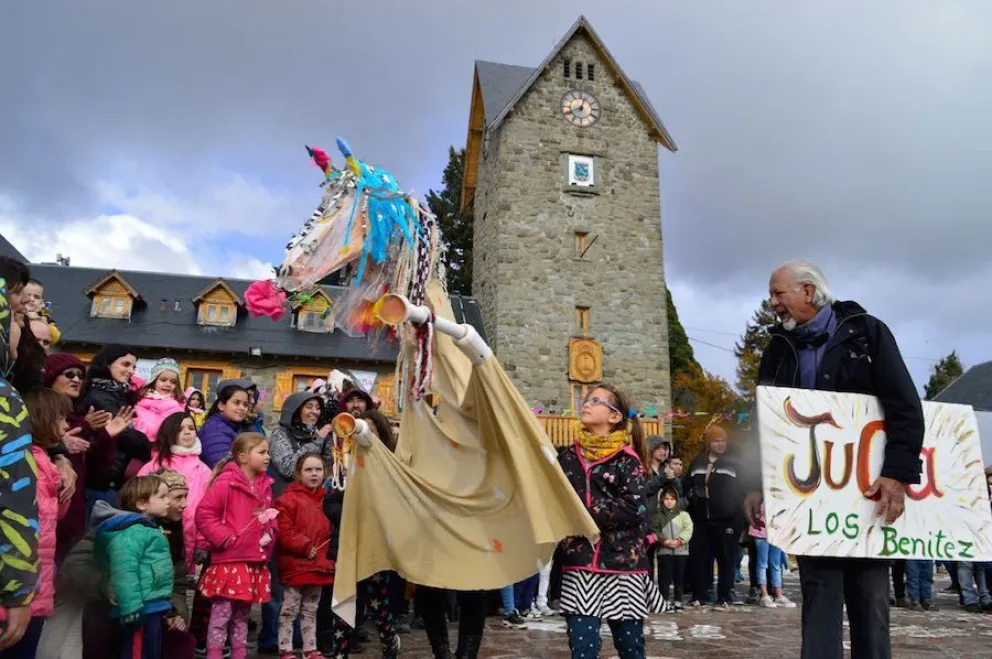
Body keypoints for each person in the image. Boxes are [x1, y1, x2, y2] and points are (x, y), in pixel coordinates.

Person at [743, 260, 924, 659]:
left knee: (870, 599)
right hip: (810, 499)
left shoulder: (867, 332)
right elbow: (764, 423)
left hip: (866, 494)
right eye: (772, 295)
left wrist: (897, 473)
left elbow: (904, 407)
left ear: (808, 292)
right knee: (819, 597)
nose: (772, 303)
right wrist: (756, 483)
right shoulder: (777, 348)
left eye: (779, 294)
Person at [557, 384, 663, 659]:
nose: (586, 403)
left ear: (614, 417)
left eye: (595, 400)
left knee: (630, 649)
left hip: (623, 566)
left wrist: (585, 511)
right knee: (582, 650)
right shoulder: (567, 457)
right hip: (579, 562)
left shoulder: (627, 461)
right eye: (586, 399)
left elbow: (635, 507)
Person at [321, 410, 400, 659]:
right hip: (349, 544)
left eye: (372, 431)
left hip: (376, 546)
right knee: (345, 597)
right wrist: (349, 517)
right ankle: (340, 651)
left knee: (378, 602)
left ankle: (389, 640)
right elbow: (331, 502)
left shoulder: (392, 468)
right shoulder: (345, 466)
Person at [262, 391, 334, 653]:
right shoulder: (281, 434)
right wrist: (319, 438)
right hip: (287, 508)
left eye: (318, 407)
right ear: (295, 409)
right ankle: (276, 641)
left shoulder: (321, 436)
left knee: (309, 602)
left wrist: (326, 441)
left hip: (313, 512)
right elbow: (288, 464)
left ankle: (305, 644)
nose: (315, 412)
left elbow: (326, 466)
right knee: (282, 590)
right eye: (309, 407)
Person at [44, 352, 133, 563]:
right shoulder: (41, 414)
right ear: (50, 377)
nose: (76, 379)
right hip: (48, 513)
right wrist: (84, 428)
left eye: (80, 375)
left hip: (74, 512)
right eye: (69, 374)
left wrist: (106, 436)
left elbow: (97, 471)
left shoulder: (80, 417)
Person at [195, 433, 275, 659]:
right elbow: (204, 514)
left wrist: (270, 533)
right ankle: (214, 654)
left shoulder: (265, 486)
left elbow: (270, 517)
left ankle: (239, 654)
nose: (267, 457)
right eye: (262, 452)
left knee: (242, 616)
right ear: (243, 456)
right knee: (221, 615)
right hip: (229, 561)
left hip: (253, 560)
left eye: (267, 452)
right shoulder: (225, 484)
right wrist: (225, 537)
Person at [6, 389, 73, 658]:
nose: (66, 425)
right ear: (42, 419)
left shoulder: (44, 460)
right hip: (18, 583)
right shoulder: (25, 462)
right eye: (60, 418)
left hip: (37, 580)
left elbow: (53, 515)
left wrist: (63, 480)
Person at [0, 259, 41, 653]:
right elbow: (14, 499)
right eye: (14, 314)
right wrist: (17, 590)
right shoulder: (4, 400)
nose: (21, 327)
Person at [94, 475, 175, 659]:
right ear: (141, 503)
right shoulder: (133, 532)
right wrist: (131, 609)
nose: (168, 501)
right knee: (137, 653)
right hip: (139, 609)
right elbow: (124, 570)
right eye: (162, 497)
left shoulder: (149, 529)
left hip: (151, 606)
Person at [274, 454, 334, 659]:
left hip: (319, 563)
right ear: (298, 474)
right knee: (290, 609)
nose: (314, 474)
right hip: (297, 563)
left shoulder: (326, 500)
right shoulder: (287, 500)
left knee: (310, 608)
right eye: (308, 470)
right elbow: (284, 530)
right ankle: (285, 648)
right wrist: (305, 546)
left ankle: (310, 648)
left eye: (318, 469)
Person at [137, 413, 213, 572]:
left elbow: (209, 510)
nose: (187, 432)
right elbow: (137, 503)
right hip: (156, 536)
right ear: (170, 433)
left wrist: (203, 542)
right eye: (180, 429)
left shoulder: (204, 470)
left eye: (191, 428)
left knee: (180, 586)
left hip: (190, 541)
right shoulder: (152, 467)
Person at [81, 344, 150, 505]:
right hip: (102, 481)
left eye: (134, 366)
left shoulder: (119, 394)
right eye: (125, 364)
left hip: (112, 479)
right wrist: (150, 445)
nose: (131, 371)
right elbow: (126, 434)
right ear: (107, 364)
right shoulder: (101, 396)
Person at [685, 425, 743, 608]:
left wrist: (735, 512)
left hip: (726, 519)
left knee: (726, 559)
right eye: (716, 441)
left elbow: (743, 490)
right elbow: (686, 484)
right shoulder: (697, 462)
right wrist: (692, 496)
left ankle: (725, 595)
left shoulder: (733, 463)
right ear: (708, 443)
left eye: (723, 440)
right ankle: (701, 593)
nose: (721, 444)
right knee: (701, 558)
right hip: (701, 519)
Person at [650, 486, 692, 612]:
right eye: (666, 499)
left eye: (672, 499)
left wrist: (680, 540)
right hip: (664, 552)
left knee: (679, 578)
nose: (669, 501)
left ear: (677, 500)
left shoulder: (684, 515)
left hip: (681, 551)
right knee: (664, 578)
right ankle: (664, 601)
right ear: (662, 500)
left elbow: (688, 529)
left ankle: (678, 601)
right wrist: (665, 541)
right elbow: (654, 530)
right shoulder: (658, 516)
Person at [748, 504, 795, 609]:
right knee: (762, 563)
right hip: (761, 532)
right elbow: (747, 508)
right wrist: (753, 522)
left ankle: (778, 594)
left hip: (777, 532)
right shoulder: (757, 495)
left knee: (776, 564)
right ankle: (764, 595)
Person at [133, 359, 185, 444]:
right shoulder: (141, 399)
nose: (168, 384)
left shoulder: (177, 406)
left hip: (162, 447)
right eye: (163, 380)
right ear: (154, 380)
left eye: (173, 382)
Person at [198, 384, 250, 468]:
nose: (242, 408)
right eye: (236, 403)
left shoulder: (230, 427)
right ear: (221, 405)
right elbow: (224, 468)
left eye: (245, 404)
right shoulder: (214, 430)